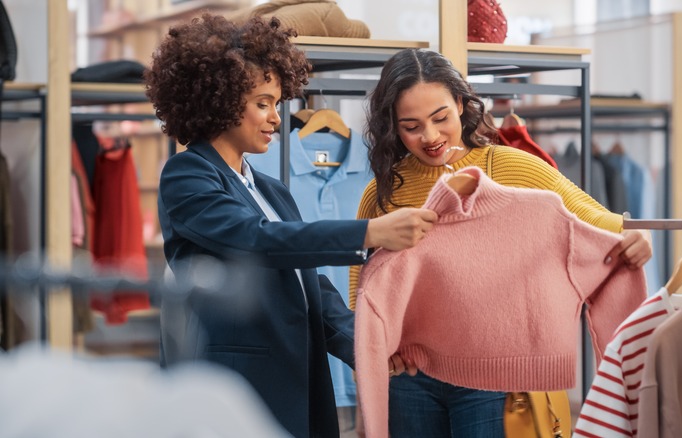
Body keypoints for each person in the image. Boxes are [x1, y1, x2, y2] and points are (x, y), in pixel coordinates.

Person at [144, 15, 437, 438]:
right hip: (236, 384)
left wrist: (369, 345)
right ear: (219, 100)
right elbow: (255, 240)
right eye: (263, 103)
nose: (276, 119)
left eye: (277, 104)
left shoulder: (271, 189)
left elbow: (310, 285)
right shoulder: (186, 174)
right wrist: (368, 233)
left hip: (296, 375)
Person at [348, 48, 653, 437]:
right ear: (393, 125)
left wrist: (633, 235)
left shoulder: (510, 167)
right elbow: (361, 290)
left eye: (440, 118)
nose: (430, 136)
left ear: (460, 103)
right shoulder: (382, 193)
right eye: (411, 125)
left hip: (491, 380)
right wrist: (371, 371)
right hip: (409, 378)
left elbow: (594, 221)